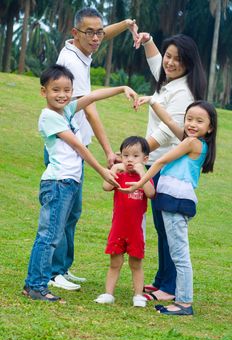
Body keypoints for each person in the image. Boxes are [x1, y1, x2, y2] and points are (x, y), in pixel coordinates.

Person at [23, 64, 137, 302]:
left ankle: (34, 284)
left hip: (68, 183)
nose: (63, 94)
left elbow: (92, 96)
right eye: (56, 90)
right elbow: (78, 145)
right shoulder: (50, 117)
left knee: (53, 234)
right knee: (49, 236)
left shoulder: (65, 111)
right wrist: (102, 172)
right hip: (58, 183)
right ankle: (36, 286)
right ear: (44, 92)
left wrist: (122, 88)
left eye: (67, 89)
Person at [49, 7, 138, 289]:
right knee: (61, 211)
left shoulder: (82, 48)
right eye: (90, 32)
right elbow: (89, 110)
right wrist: (110, 151)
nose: (97, 38)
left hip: (76, 145)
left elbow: (100, 34)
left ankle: (62, 266)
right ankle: (54, 273)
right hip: (66, 146)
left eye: (99, 31)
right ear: (75, 33)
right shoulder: (70, 62)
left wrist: (124, 24)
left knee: (73, 211)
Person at [120, 99, 217, 315]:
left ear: (209, 128)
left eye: (199, 121)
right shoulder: (191, 141)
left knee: (180, 255)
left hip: (176, 201)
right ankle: (182, 300)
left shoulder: (191, 143)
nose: (192, 124)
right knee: (177, 253)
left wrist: (140, 181)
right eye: (189, 119)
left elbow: (160, 161)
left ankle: (183, 303)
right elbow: (170, 121)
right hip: (174, 201)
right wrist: (153, 102)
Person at [132, 31, 207, 301]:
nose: (170, 62)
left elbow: (166, 133)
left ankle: (170, 287)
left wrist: (135, 155)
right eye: (169, 56)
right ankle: (162, 280)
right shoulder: (168, 82)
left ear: (189, 63)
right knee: (161, 228)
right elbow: (157, 64)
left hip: (164, 165)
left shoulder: (184, 91)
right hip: (155, 162)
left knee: (167, 230)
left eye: (177, 59)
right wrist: (149, 40)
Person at [94, 136, 155, 307]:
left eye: (135, 156)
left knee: (136, 263)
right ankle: (108, 294)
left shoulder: (144, 176)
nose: (130, 160)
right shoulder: (119, 174)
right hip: (118, 228)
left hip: (136, 230)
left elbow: (150, 193)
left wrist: (142, 173)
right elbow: (106, 187)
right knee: (115, 262)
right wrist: (114, 168)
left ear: (145, 159)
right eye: (126, 155)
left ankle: (138, 295)